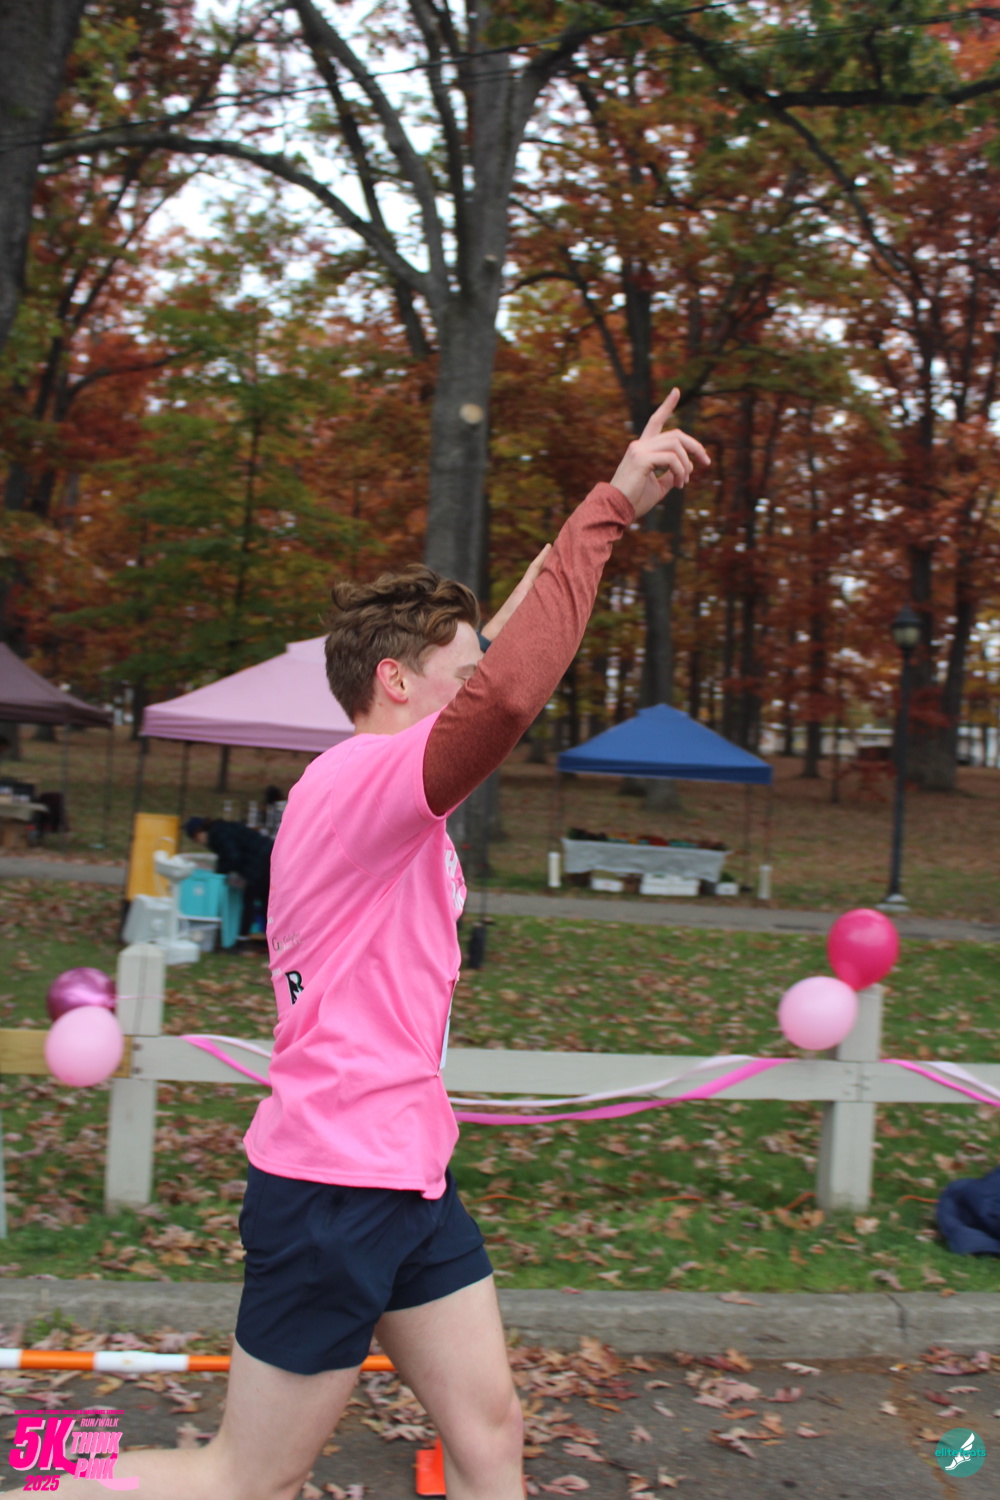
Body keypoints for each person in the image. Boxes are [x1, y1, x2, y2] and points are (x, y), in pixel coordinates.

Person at [6, 391, 708, 1500]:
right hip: (332, 1187)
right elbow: (506, 693)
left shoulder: (389, 785)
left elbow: (496, 656)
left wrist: (611, 496)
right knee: (244, 1478)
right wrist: (606, 516)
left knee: (490, 1433)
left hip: (407, 1175)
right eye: (458, 668)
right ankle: (31, 1472)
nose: (475, 678)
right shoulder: (362, 779)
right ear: (396, 680)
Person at [184, 815, 273, 933]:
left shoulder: (216, 835)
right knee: (266, 900)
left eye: (196, 839)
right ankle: (269, 935)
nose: (199, 842)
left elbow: (231, 856)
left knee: (250, 898)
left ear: (199, 832)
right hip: (268, 855)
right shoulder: (221, 828)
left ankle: (243, 937)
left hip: (261, 861)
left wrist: (219, 872)